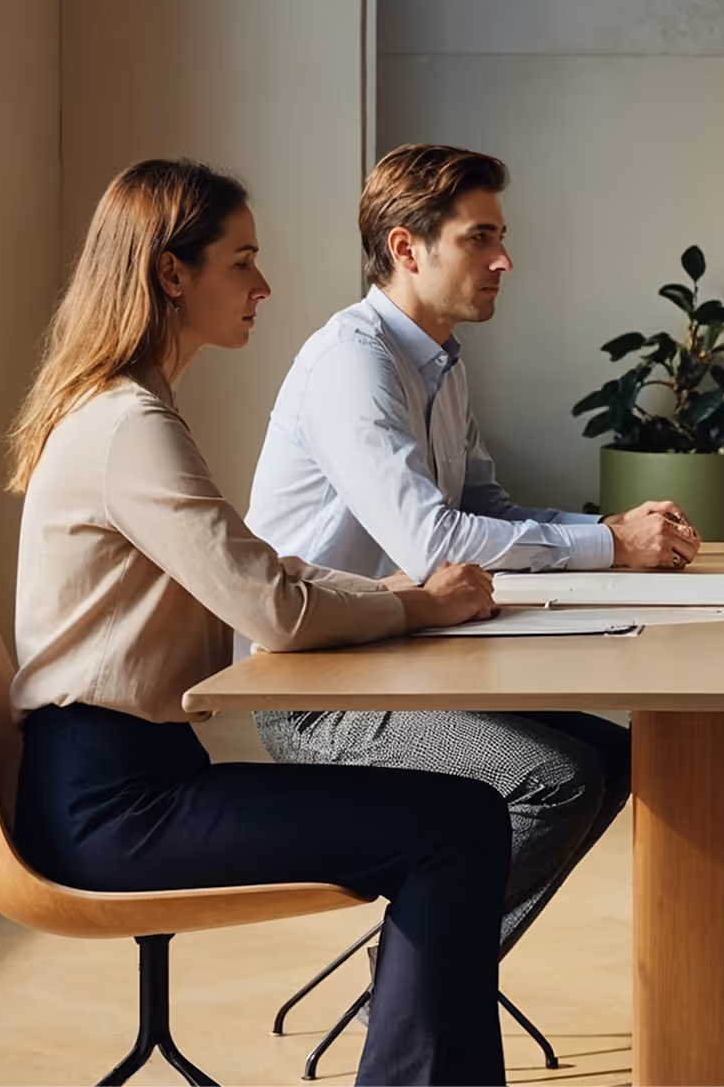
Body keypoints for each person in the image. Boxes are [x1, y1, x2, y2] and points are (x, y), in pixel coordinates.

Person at [6, 158, 509, 1086]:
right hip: (114, 806)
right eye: (242, 262)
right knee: (458, 826)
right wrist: (413, 604)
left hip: (130, 779)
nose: (263, 286)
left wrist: (404, 598)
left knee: (462, 819)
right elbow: (272, 608)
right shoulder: (128, 425)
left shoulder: (128, 411)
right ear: (172, 273)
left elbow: (262, 567)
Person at [247, 143, 699, 960]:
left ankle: (424, 987)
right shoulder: (354, 363)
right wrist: (608, 546)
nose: (503, 261)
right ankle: (408, 991)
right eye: (479, 239)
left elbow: (486, 510)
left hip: (395, 659)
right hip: (318, 688)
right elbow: (433, 543)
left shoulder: (438, 363)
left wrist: (613, 533)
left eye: (501, 237)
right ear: (406, 248)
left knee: (615, 757)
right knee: (556, 780)